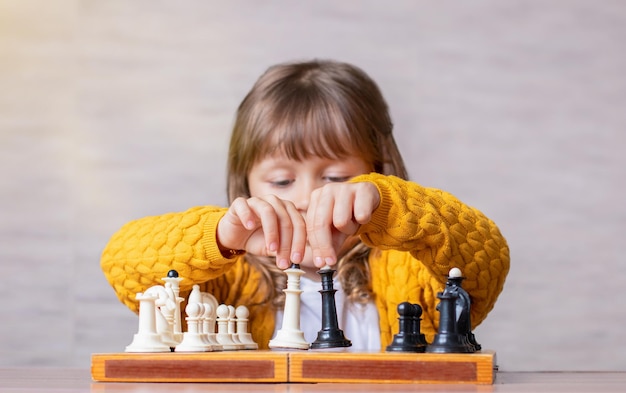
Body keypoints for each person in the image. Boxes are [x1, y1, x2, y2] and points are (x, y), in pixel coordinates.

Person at [100, 59, 510, 350]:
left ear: (378, 169)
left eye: (336, 178)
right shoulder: (223, 282)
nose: (307, 198)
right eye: (281, 181)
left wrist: (388, 204)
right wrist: (220, 236)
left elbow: (485, 258)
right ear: (245, 182)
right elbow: (123, 262)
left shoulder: (411, 269)